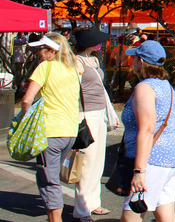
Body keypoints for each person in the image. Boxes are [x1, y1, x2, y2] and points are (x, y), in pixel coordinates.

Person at [121, 40, 175, 222]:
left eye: (134, 58)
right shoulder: (167, 86)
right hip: (173, 154)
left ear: (141, 61)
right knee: (165, 212)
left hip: (153, 157)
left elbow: (148, 129)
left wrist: (139, 171)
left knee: (131, 215)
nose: (132, 62)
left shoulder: (145, 87)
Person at [21, 33, 79, 222]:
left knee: (49, 181)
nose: (38, 53)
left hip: (50, 132)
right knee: (50, 177)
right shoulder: (72, 69)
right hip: (69, 132)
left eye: (41, 49)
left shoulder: (45, 67)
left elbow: (27, 99)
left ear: (52, 51)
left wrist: (25, 120)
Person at [71, 26, 114, 220]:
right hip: (85, 114)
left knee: (98, 161)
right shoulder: (75, 61)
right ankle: (82, 209)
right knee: (86, 163)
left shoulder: (94, 60)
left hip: (99, 113)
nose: (100, 43)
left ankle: (94, 202)